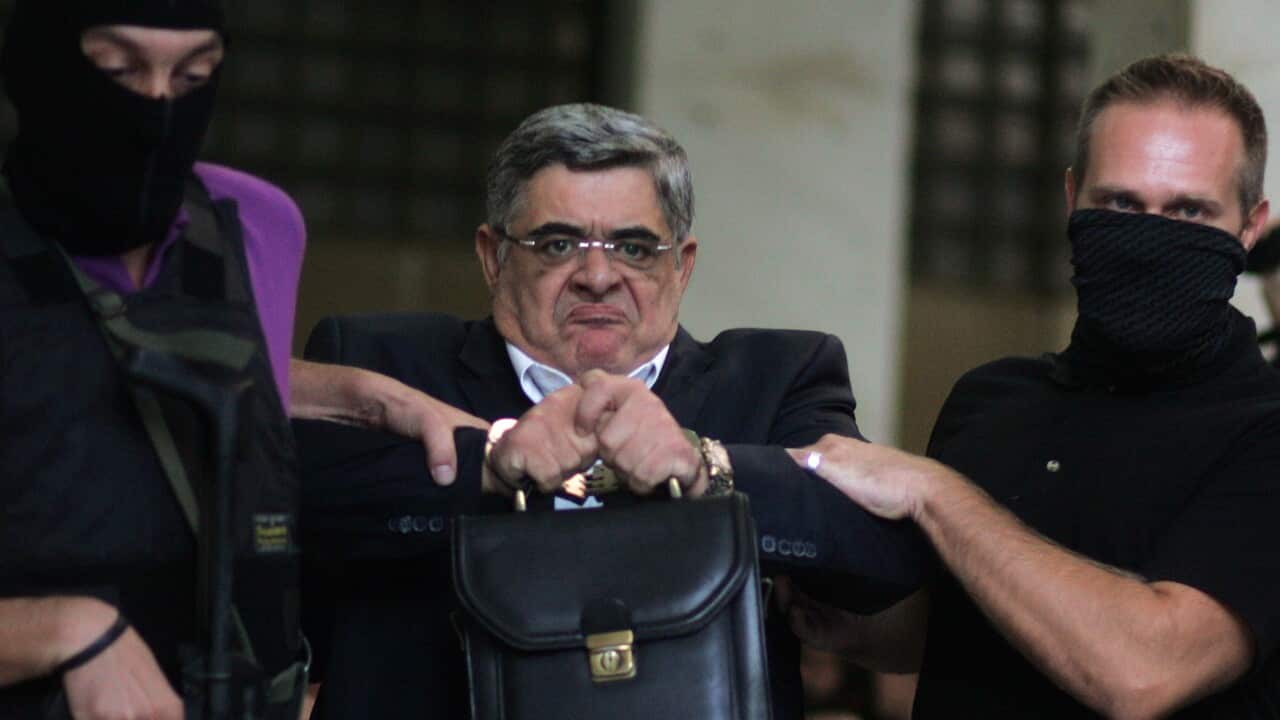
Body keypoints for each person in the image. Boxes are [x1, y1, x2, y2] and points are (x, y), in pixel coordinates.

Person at [293, 102, 929, 719]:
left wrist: (709, 467)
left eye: (633, 248)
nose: (597, 275)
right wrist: (487, 464)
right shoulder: (383, 363)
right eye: (557, 243)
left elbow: (880, 561)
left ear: (681, 267)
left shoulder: (776, 379)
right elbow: (280, 512)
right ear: (493, 258)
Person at [0, 2, 480, 717]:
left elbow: (219, 390)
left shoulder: (254, 223)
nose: (159, 102)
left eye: (194, 73)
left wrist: (371, 400)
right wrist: (65, 632)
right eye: (118, 68)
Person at [784, 54, 1280, 717]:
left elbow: (1144, 671)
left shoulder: (1264, 433)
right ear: (1074, 199)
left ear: (1250, 227)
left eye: (1189, 212)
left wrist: (935, 494)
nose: (1149, 236)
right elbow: (960, 627)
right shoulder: (992, 401)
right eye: (1120, 204)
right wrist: (823, 599)